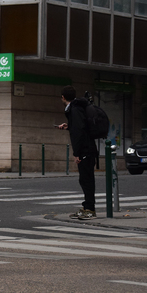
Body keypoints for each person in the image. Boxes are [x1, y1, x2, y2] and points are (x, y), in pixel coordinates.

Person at [57, 85, 98, 220]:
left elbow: (79, 132)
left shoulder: (75, 109)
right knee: (85, 179)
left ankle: (90, 209)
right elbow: (80, 127)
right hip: (88, 147)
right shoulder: (77, 108)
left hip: (85, 149)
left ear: (63, 97)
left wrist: (77, 153)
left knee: (86, 179)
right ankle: (87, 206)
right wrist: (69, 126)